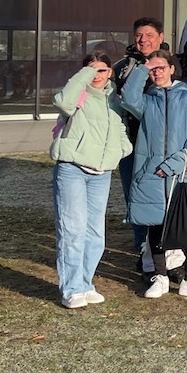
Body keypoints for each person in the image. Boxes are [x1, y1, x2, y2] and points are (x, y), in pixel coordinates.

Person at [121, 51, 187, 299]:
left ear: (171, 69)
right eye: (153, 69)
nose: (157, 72)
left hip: (184, 173)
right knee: (156, 223)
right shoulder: (147, 101)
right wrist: (142, 69)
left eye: (161, 67)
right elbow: (128, 97)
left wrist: (176, 163)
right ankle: (160, 277)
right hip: (154, 173)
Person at [50, 51, 132, 308]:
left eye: (102, 70)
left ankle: (85, 283)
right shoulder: (77, 93)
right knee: (72, 230)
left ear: (110, 72)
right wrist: (85, 74)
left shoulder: (114, 99)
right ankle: (71, 289)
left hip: (101, 173)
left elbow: (120, 129)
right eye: (91, 69)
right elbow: (62, 103)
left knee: (95, 234)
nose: (97, 75)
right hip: (72, 169)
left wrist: (121, 149)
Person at [112, 17, 166, 267]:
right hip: (132, 142)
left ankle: (165, 244)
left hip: (162, 144)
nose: (143, 40)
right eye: (138, 35)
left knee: (161, 194)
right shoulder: (122, 67)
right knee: (133, 193)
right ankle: (141, 244)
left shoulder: (171, 64)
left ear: (161, 37)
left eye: (149, 35)